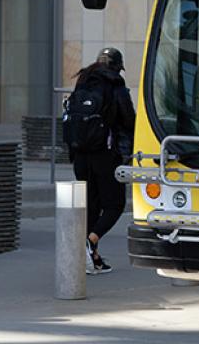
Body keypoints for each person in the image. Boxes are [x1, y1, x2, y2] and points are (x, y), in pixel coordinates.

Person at [66, 47, 135, 275]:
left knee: (92, 205)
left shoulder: (83, 81)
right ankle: (90, 242)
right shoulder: (115, 84)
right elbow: (128, 119)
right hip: (105, 154)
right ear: (116, 66)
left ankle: (92, 258)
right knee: (115, 205)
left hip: (80, 153)